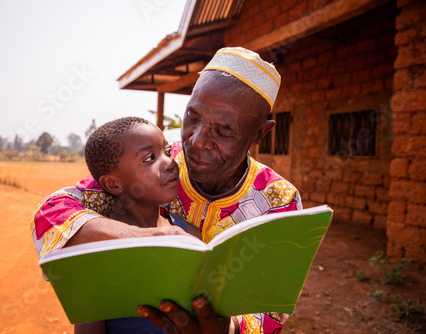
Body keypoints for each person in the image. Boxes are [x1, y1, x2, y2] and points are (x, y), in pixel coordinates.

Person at [31, 47, 302, 334]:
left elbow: (272, 312)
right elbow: (54, 212)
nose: (197, 141)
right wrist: (152, 237)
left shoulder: (277, 201)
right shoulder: (160, 163)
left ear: (260, 133)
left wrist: (229, 328)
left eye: (224, 131)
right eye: (192, 117)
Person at [74, 116, 201, 333]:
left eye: (167, 151)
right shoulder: (99, 251)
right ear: (112, 183)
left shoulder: (190, 233)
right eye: (149, 158)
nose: (170, 162)